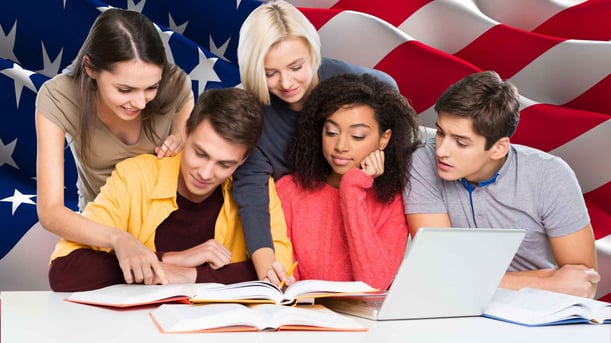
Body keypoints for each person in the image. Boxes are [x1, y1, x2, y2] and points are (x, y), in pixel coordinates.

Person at [48, 87, 293, 292]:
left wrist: (189, 275)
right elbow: (65, 271)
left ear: (243, 160)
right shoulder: (135, 176)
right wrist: (167, 260)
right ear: (185, 132)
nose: (206, 173)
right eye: (200, 153)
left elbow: (276, 273)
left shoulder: (256, 187)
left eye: (225, 164)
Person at [233, 0, 399, 282]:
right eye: (269, 73)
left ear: (312, 52)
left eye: (296, 66)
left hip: (363, 220)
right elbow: (251, 194)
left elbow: (389, 103)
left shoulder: (360, 84)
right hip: (298, 234)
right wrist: (266, 265)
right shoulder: (253, 115)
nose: (286, 83)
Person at [403, 71, 600, 298]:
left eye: (461, 142)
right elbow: (440, 268)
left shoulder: (550, 175)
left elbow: (584, 282)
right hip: (456, 304)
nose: (441, 150)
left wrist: (468, 281)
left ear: (499, 148)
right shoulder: (422, 160)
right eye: (440, 132)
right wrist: (548, 281)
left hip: (537, 309)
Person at [36, 8, 194, 286]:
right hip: (104, 231)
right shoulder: (58, 97)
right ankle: (164, 262)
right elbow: (50, 210)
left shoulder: (175, 83)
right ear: (90, 68)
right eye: (125, 90)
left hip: (169, 226)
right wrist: (118, 239)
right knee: (71, 274)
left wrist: (181, 135)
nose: (141, 102)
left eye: (151, 88)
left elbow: (185, 105)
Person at [275, 73, 420, 290]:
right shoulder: (289, 190)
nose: (341, 145)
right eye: (331, 132)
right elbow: (287, 283)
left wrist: (352, 189)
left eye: (357, 136)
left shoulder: (393, 201)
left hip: (365, 321)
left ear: (384, 139)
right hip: (300, 318)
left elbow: (374, 284)